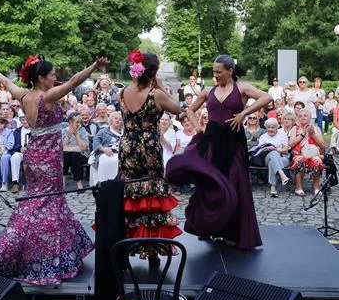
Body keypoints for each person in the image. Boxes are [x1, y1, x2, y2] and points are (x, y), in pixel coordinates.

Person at [0, 56, 100, 285]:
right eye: (51, 75)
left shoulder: (24, 95)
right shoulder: (47, 96)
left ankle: (34, 248)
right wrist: (94, 67)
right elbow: (74, 82)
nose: (55, 79)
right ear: (41, 78)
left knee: (36, 201)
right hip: (48, 158)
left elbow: (7, 83)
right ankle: (43, 259)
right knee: (48, 204)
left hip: (33, 156)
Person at [167, 55, 272, 250]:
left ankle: (232, 232)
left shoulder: (242, 89)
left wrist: (244, 113)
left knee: (234, 186)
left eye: (218, 72)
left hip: (234, 143)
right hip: (212, 143)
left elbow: (267, 97)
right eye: (213, 71)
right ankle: (209, 227)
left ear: (230, 71)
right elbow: (189, 110)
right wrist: (199, 128)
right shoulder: (208, 91)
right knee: (211, 188)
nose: (215, 75)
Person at [116, 51, 183, 241]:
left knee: (129, 187)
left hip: (128, 145)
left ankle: (127, 239)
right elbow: (177, 109)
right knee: (151, 190)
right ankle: (152, 246)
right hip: (149, 147)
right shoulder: (157, 95)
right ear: (153, 72)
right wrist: (161, 85)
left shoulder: (122, 93)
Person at [289, 108, 326, 196]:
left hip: (314, 153)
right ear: (298, 118)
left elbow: (323, 146)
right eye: (300, 116)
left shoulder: (316, 129)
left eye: (305, 116)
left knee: (316, 161)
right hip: (299, 153)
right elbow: (291, 144)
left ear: (310, 117)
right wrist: (302, 134)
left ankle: (316, 187)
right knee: (301, 160)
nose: (303, 118)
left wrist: (313, 134)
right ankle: (299, 188)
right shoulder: (295, 128)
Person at [256, 117, 290, 198]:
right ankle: (282, 175)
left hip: (283, 158)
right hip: (266, 158)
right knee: (272, 154)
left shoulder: (282, 134)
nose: (270, 129)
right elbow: (260, 151)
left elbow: (285, 150)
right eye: (268, 127)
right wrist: (268, 149)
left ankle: (273, 186)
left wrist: (276, 149)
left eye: (272, 127)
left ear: (276, 127)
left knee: (273, 160)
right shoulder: (263, 137)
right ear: (266, 128)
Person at [90, 112, 123, 185]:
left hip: (121, 153)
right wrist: (103, 149)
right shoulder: (103, 131)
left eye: (120, 119)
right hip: (106, 152)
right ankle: (103, 183)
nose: (118, 120)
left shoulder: (125, 132)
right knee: (106, 159)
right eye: (115, 118)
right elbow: (96, 142)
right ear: (111, 120)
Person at [62, 112, 89, 190]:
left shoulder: (82, 130)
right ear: (70, 122)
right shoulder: (64, 131)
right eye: (76, 122)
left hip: (82, 154)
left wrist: (76, 135)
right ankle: (74, 183)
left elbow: (84, 148)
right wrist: (69, 135)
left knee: (73, 155)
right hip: (67, 154)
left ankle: (77, 183)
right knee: (67, 155)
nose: (78, 124)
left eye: (79, 122)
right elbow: (62, 147)